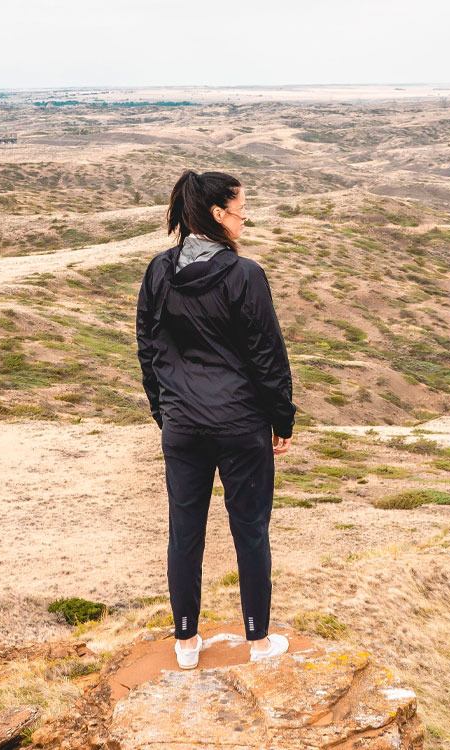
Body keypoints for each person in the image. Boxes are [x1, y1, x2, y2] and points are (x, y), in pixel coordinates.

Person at [135, 169, 297, 670]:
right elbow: (268, 354)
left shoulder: (159, 271)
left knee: (185, 531)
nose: (246, 217)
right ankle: (257, 641)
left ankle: (186, 642)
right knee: (250, 530)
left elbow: (148, 349)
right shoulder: (244, 275)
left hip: (183, 425)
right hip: (239, 423)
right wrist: (282, 420)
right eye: (242, 208)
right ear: (218, 214)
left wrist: (166, 412)